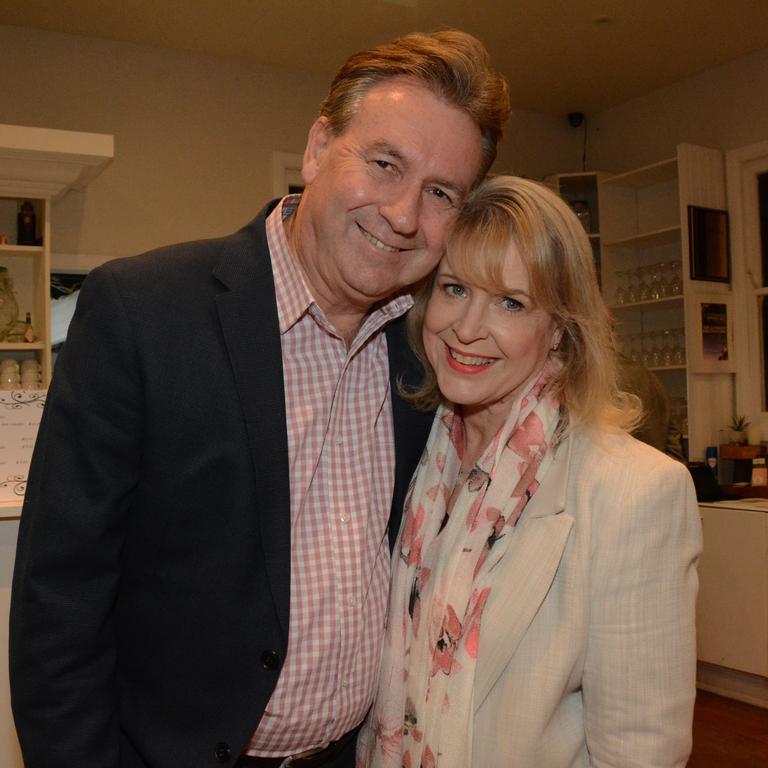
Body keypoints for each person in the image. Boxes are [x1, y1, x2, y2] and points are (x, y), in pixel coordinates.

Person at [9, 31, 510, 768]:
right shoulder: (145, 312)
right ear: (316, 149)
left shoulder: (428, 350)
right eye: (384, 164)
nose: (405, 215)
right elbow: (60, 601)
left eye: (441, 194)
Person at [358, 176, 702, 768]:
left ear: (561, 329)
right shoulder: (411, 454)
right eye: (455, 289)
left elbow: (640, 753)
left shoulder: (633, 492)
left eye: (511, 303)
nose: (466, 329)